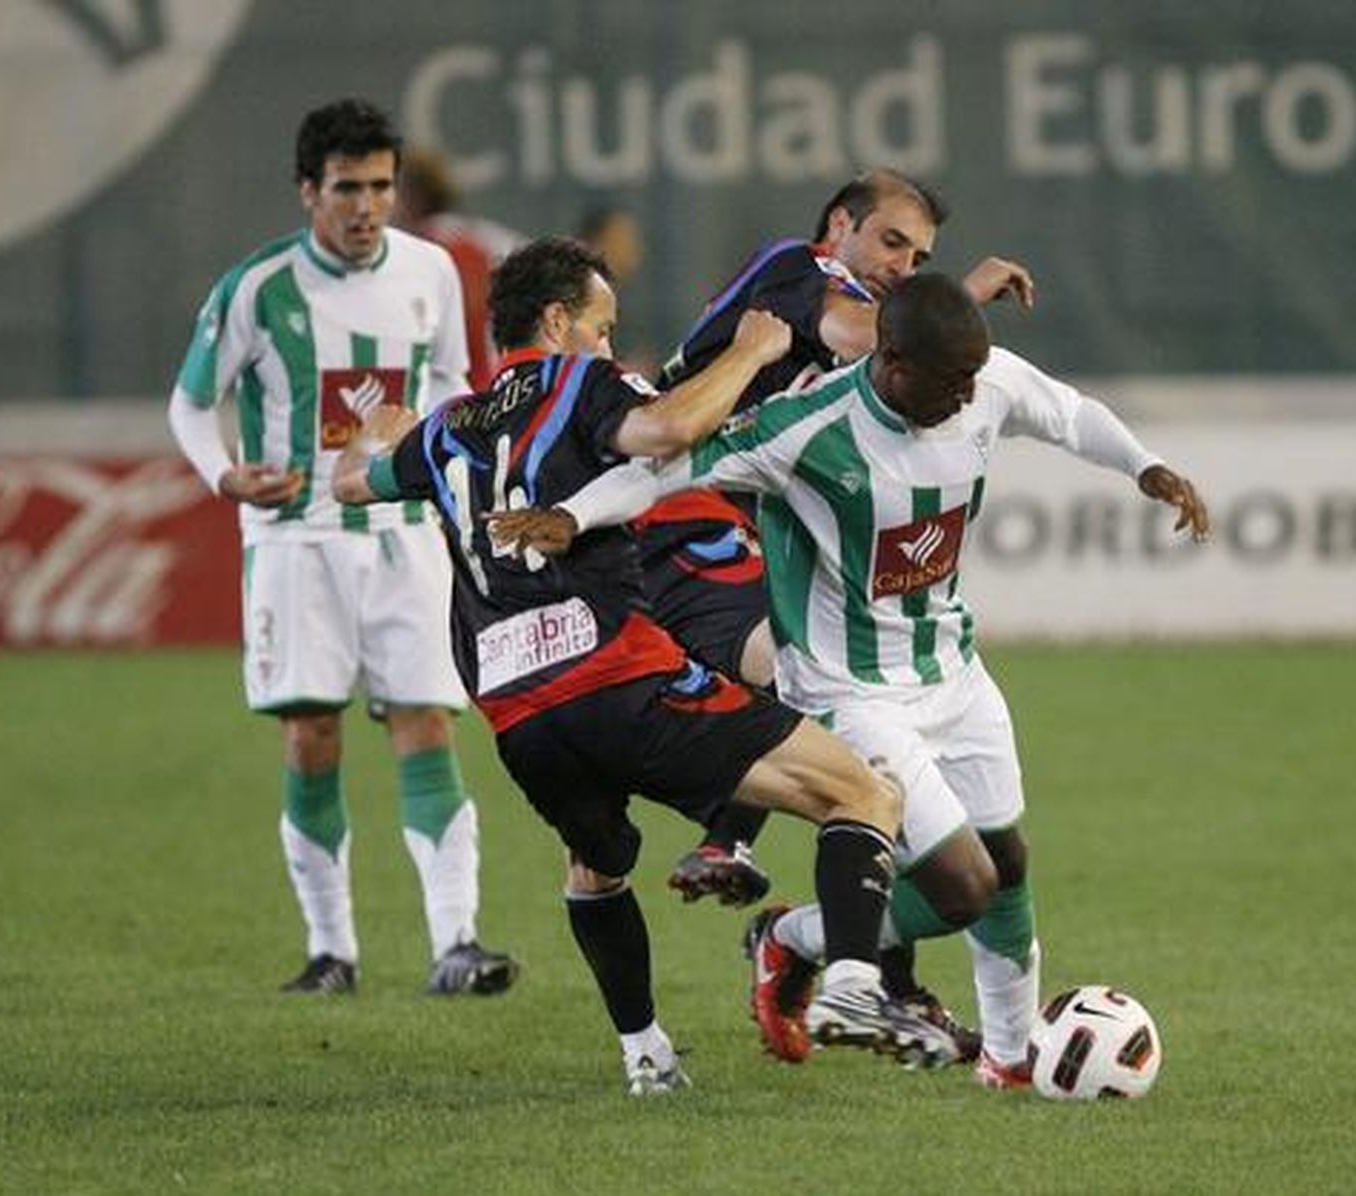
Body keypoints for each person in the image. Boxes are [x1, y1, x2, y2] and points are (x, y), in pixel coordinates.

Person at [487, 273, 1209, 1089]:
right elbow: (674, 467)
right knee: (963, 887)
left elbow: (1066, 412)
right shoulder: (809, 426)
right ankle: (793, 939)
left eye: (975, 379)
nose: (969, 396)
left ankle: (1009, 1063)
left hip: (953, 671)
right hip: (849, 693)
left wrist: (1145, 466)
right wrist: (576, 515)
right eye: (949, 382)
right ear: (891, 361)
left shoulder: (980, 382)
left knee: (1007, 866)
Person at [330, 237, 961, 1093]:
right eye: (600, 326)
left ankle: (645, 1056)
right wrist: (749, 352)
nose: (607, 344)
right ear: (556, 322)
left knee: (596, 866)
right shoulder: (582, 382)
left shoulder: (448, 427)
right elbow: (667, 428)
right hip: (620, 678)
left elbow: (351, 485)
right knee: (866, 792)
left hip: (519, 717)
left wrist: (372, 436)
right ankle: (849, 985)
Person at [642, 168, 1036, 1055]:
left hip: (749, 524)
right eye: (892, 242)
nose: (904, 264)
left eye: (921, 256)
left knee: (873, 734)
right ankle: (732, 845)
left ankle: (876, 972)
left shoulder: (869, 332)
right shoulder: (795, 270)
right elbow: (854, 335)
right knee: (805, 675)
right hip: (687, 528)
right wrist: (956, 303)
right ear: (838, 227)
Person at [167, 98, 516, 998]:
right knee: (311, 735)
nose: (368, 208)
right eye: (348, 189)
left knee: (425, 724)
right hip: (298, 539)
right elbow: (189, 400)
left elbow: (451, 381)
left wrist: (440, 449)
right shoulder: (258, 287)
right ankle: (333, 952)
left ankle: (457, 943)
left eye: (381, 188)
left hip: (402, 534)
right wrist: (224, 475)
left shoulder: (432, 271)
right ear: (307, 192)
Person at [394, 147, 526, 391]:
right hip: (498, 391)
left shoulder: (410, 254)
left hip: (439, 400)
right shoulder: (491, 241)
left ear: (411, 196)